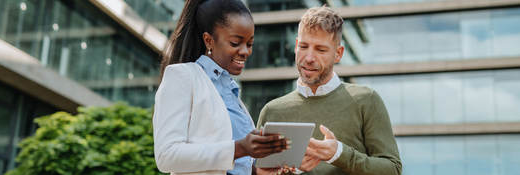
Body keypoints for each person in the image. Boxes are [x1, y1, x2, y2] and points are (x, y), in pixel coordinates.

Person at [257, 6, 402, 175]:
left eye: (320, 50)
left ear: (338, 53)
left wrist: (339, 154)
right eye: (304, 46)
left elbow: (393, 169)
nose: (309, 58)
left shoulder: (366, 100)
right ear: (296, 46)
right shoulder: (272, 111)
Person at [153, 0, 289, 174]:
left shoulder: (231, 92)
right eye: (235, 43)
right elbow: (167, 156)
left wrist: (256, 171)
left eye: (249, 44)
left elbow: (230, 165)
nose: (245, 52)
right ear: (209, 40)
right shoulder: (182, 76)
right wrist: (239, 148)